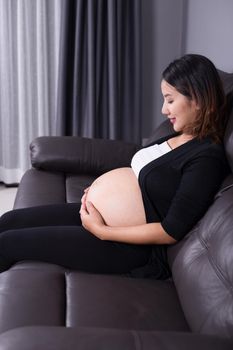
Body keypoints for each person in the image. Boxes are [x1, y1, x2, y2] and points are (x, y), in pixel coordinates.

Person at [0, 54, 229, 277]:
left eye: (170, 100)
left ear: (198, 100)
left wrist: (102, 230)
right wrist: (99, 193)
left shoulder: (206, 158)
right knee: (9, 221)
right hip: (99, 218)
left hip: (126, 247)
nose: (163, 110)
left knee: (8, 243)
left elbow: (171, 230)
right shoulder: (180, 134)